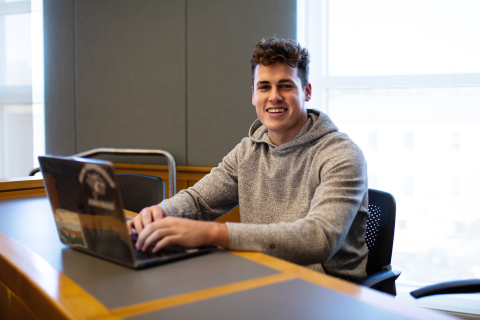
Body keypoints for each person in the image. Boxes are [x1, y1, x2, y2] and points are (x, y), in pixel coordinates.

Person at [127, 38, 369, 282]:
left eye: (285, 86)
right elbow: (199, 201)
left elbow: (320, 237)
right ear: (253, 95)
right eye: (264, 87)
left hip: (328, 291)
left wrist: (213, 233)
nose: (274, 97)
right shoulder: (248, 151)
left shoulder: (341, 154)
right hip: (265, 276)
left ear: (306, 92)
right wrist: (158, 213)